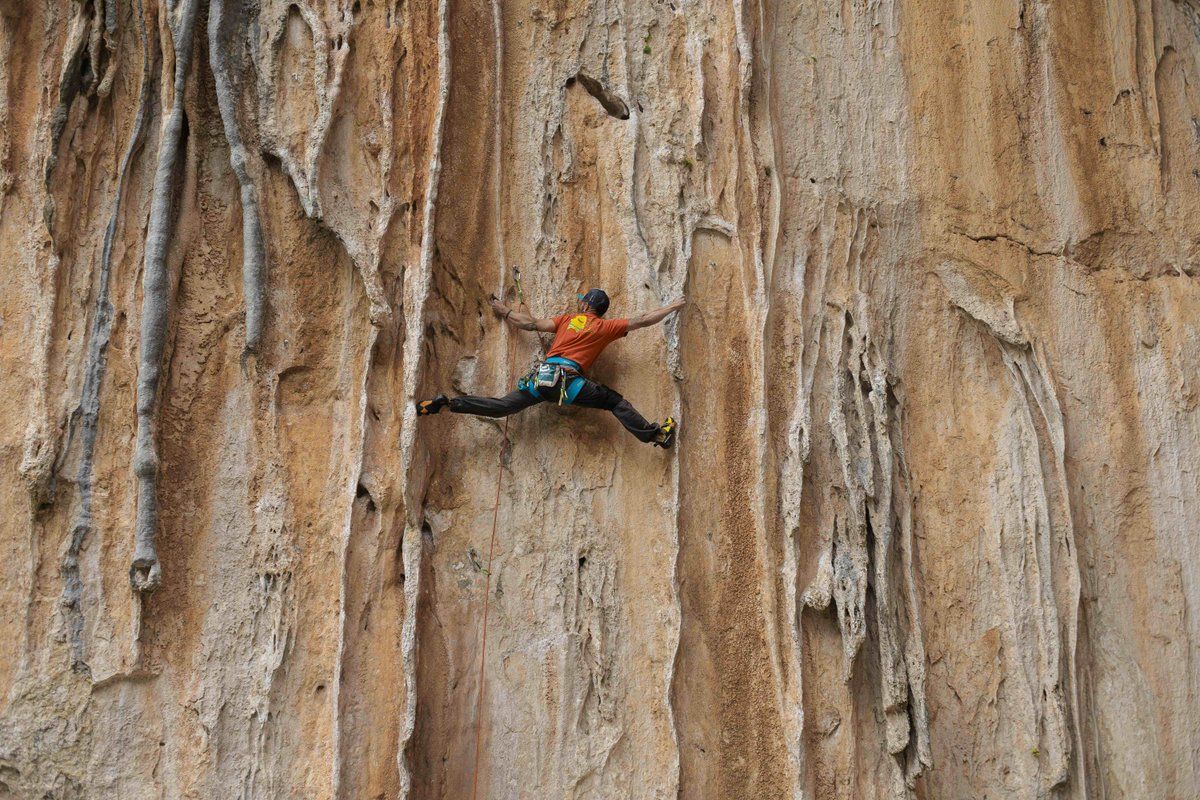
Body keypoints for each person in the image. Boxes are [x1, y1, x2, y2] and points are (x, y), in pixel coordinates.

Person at [417, 288, 684, 448]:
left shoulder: (568, 319)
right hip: (570, 384)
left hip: (542, 381)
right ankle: (657, 435)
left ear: (586, 304)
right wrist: (672, 306)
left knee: (503, 406)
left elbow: (530, 324)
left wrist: (504, 310)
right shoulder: (606, 326)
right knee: (614, 402)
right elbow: (643, 320)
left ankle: (449, 404)